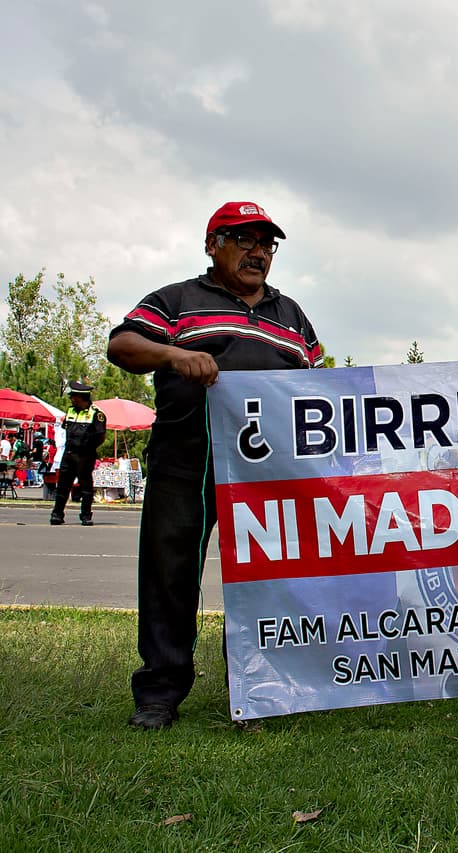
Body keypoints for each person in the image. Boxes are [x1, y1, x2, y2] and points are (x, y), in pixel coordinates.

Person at [107, 201, 323, 730]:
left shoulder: (290, 314)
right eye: (243, 240)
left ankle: (257, 687)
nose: (257, 253)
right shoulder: (177, 301)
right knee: (170, 574)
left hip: (265, 472)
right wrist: (172, 355)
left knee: (265, 581)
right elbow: (122, 343)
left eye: (266, 244)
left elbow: (318, 383)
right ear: (212, 245)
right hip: (188, 460)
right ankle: (159, 693)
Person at [50, 381, 107, 526]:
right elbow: (65, 430)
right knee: (63, 486)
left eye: (74, 397)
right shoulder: (70, 411)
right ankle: (57, 514)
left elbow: (101, 436)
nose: (71, 399)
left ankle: (86, 515)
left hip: (84, 456)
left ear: (81, 398)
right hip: (69, 453)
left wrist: (89, 450)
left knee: (86, 487)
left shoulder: (97, 414)